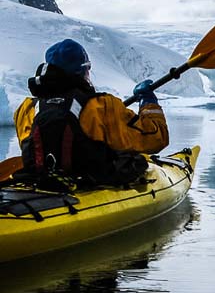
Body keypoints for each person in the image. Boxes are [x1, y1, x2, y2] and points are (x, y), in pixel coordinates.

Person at [13, 39, 169, 187]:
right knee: (134, 160)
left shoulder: (27, 109)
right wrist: (148, 102)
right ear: (82, 71)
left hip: (38, 181)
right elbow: (156, 138)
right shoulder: (102, 106)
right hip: (89, 181)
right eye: (87, 68)